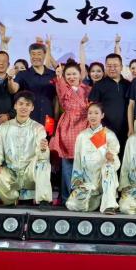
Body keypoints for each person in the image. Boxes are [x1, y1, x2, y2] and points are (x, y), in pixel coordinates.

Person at [0, 91, 53, 206]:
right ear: (15, 106)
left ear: (32, 108)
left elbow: (42, 156)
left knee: (44, 164)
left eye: (27, 104)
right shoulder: (4, 128)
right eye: (21, 104)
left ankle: (43, 200)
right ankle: (11, 200)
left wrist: (43, 150)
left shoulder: (38, 128)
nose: (24, 107)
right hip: (11, 173)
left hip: (30, 173)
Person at [51, 37, 91, 204]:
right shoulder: (62, 86)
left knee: (84, 162)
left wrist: (81, 46)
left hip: (85, 125)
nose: (72, 76)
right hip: (68, 126)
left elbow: (82, 64)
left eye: (74, 73)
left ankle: (82, 196)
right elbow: (55, 68)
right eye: (68, 74)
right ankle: (68, 196)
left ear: (80, 74)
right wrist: (49, 47)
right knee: (67, 162)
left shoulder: (86, 88)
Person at [66, 103, 122, 214]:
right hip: (88, 184)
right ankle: (96, 202)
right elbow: (78, 161)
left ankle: (109, 205)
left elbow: (115, 163)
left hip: (104, 181)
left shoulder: (109, 135)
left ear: (102, 115)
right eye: (90, 113)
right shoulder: (81, 136)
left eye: (96, 113)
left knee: (108, 168)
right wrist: (77, 180)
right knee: (72, 204)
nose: (93, 116)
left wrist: (111, 159)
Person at [89, 53, 131, 144]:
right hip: (103, 131)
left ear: (121, 67)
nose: (112, 68)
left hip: (126, 130)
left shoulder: (128, 85)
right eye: (109, 66)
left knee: (124, 152)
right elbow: (92, 108)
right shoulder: (98, 85)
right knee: (102, 152)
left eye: (115, 66)